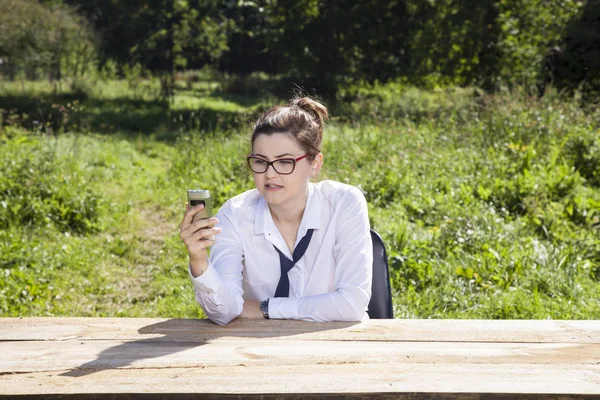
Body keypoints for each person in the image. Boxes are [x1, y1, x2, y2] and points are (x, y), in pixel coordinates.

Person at [179, 96, 373, 325]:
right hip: (256, 346)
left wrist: (267, 308)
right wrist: (199, 259)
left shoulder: (343, 203)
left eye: (284, 162)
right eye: (260, 161)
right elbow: (225, 311)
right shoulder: (235, 214)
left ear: (315, 164)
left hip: (338, 343)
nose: (270, 174)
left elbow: (351, 305)